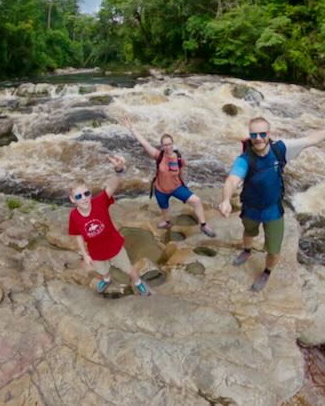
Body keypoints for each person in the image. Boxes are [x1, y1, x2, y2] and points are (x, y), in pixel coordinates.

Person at [217, 113, 325, 292]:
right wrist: (225, 200)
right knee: (249, 232)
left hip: (273, 209)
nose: (258, 138)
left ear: (269, 134)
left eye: (262, 134)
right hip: (251, 207)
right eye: (254, 135)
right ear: (250, 136)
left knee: (273, 249)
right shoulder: (245, 159)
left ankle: (266, 272)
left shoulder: (281, 149)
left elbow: (311, 139)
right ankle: (247, 251)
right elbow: (232, 180)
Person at [68, 154, 152, 296]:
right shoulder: (74, 216)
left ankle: (138, 282)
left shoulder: (100, 202)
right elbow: (78, 236)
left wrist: (118, 171)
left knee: (128, 269)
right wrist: (85, 254)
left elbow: (111, 186)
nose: (83, 198)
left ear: (90, 193)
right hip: (97, 253)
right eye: (78, 196)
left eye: (86, 193)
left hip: (115, 247)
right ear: (72, 199)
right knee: (103, 271)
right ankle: (107, 280)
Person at [119, 117, 216, 238]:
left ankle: (203, 225)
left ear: (173, 144)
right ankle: (167, 222)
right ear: (162, 146)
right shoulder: (158, 155)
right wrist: (132, 129)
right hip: (160, 190)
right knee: (164, 208)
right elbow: (144, 143)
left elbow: (181, 173)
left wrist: (184, 186)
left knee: (196, 200)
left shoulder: (180, 159)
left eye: (169, 144)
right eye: (165, 145)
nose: (167, 147)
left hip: (176, 187)